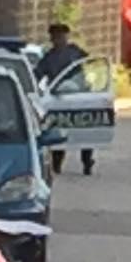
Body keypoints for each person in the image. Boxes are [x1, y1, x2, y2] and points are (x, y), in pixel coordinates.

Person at [36, 21, 96, 176]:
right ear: (52, 38)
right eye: (56, 37)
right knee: (59, 130)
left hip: (79, 95)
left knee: (84, 131)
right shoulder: (49, 58)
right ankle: (57, 164)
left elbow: (89, 61)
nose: (60, 40)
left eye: (62, 36)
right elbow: (37, 75)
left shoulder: (75, 51)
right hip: (59, 98)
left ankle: (87, 162)